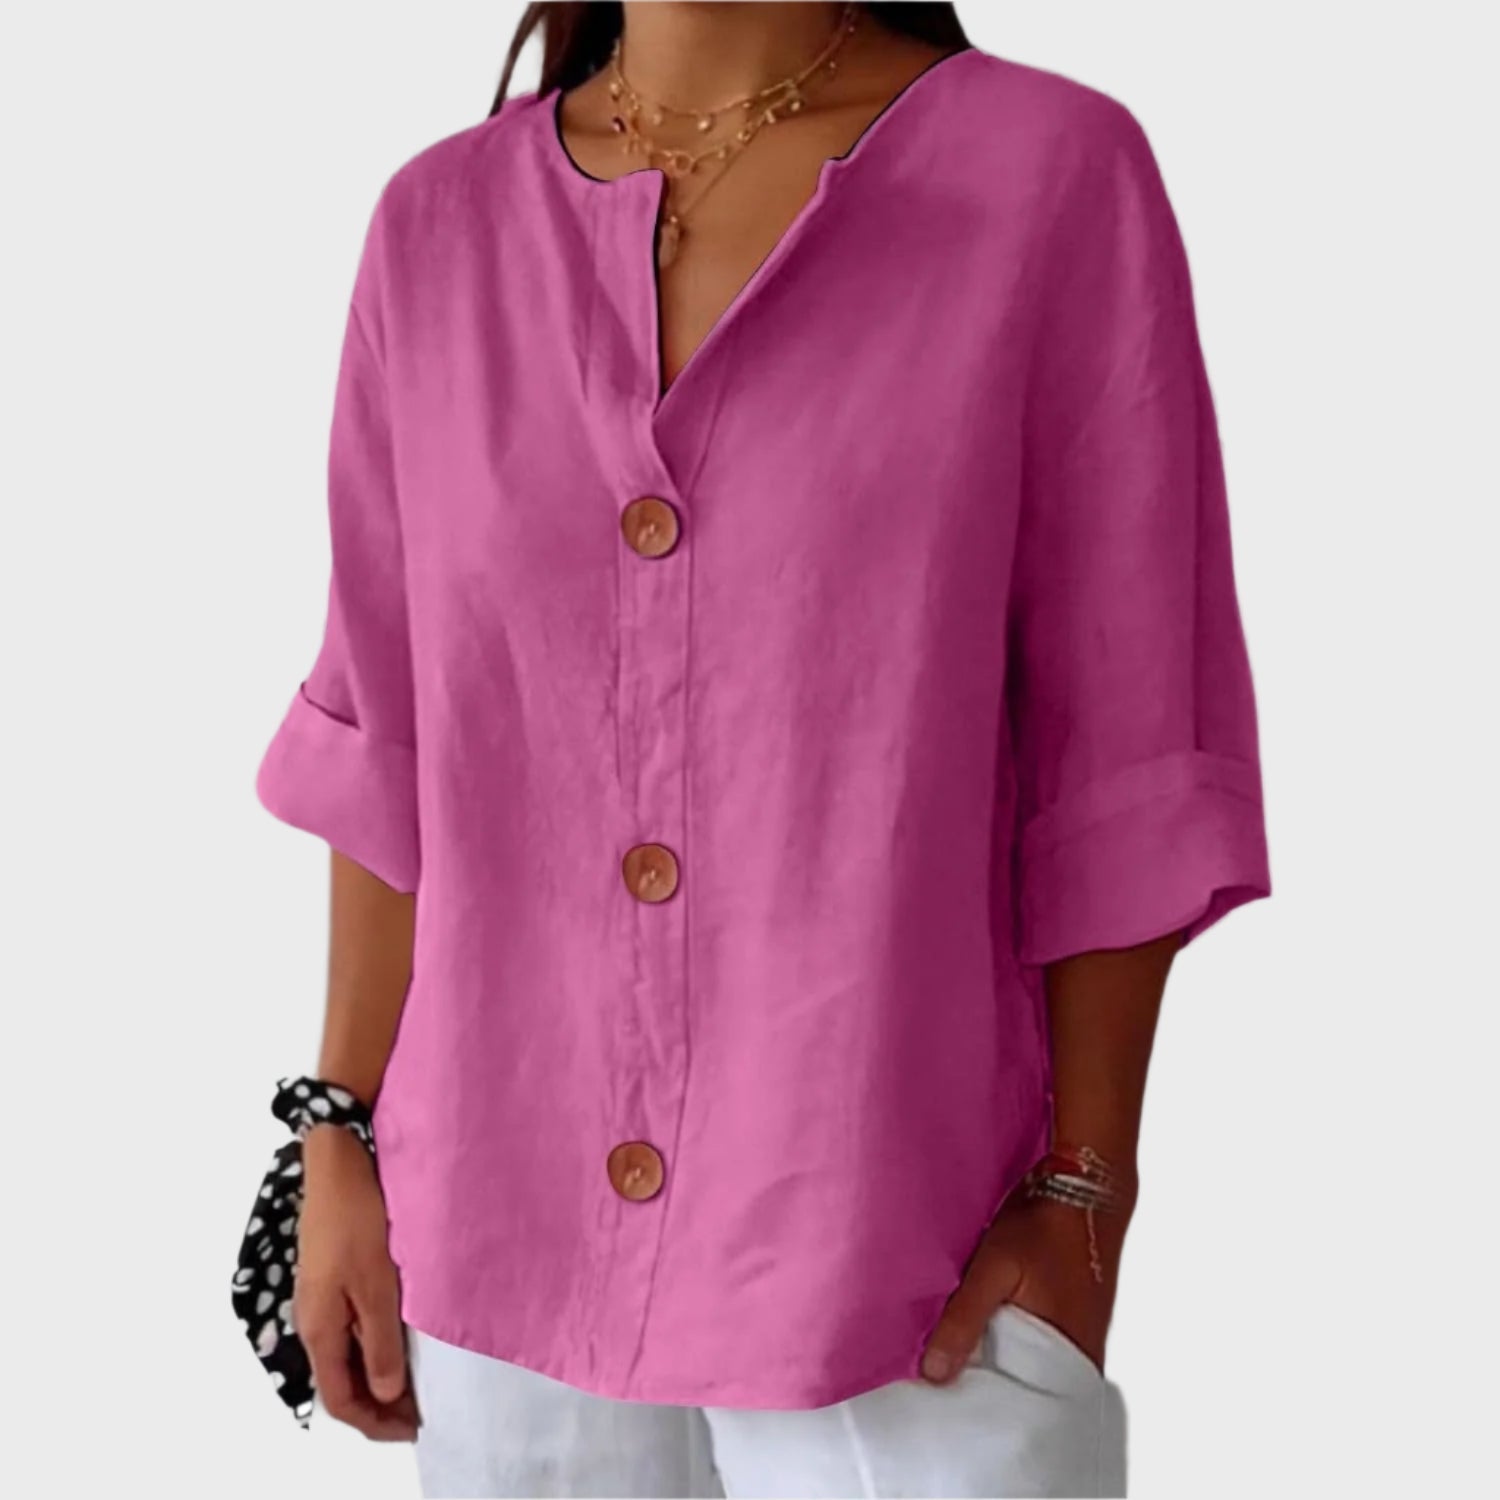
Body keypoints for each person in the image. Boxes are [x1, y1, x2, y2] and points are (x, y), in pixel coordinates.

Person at [250, 2, 1271, 1494]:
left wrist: (1086, 1193)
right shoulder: (438, 228)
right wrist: (337, 1131)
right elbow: (389, 731)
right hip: (500, 1259)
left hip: (908, 1270)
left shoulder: (1051, 177)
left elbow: (1125, 744)